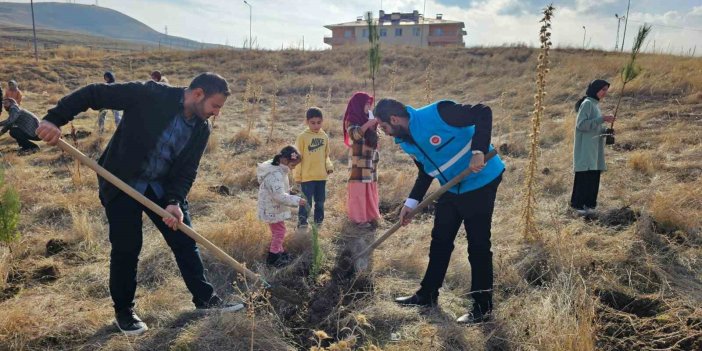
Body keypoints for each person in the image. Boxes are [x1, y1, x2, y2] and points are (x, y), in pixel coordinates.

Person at [35, 72, 244, 336]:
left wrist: (174, 201)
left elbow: (187, 171)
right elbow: (94, 94)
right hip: (122, 182)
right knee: (127, 247)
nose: (216, 113)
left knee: (185, 241)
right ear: (198, 94)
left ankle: (205, 300)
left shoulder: (200, 129)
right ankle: (124, 312)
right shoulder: (152, 95)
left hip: (161, 189)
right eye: (215, 106)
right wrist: (54, 119)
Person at [374, 98, 505, 324]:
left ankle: (482, 308)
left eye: (384, 127)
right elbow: (426, 172)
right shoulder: (406, 141)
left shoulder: (439, 113)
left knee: (478, 245)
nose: (385, 133)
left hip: (481, 181)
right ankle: (427, 294)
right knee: (440, 240)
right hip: (452, 187)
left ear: (394, 119)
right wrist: (411, 203)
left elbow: (483, 111)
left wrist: (478, 151)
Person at [570, 79, 615, 215]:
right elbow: (581, 125)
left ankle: (589, 206)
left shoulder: (595, 105)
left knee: (593, 177)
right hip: (585, 150)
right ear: (595, 89)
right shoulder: (588, 103)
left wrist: (607, 131)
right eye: (603, 89)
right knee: (584, 176)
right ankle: (578, 207)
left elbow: (594, 128)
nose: (604, 93)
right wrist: (602, 119)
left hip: (595, 150)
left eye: (606, 90)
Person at [257, 145, 306, 267]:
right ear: (284, 160)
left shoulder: (277, 168)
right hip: (272, 207)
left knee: (277, 231)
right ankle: (273, 257)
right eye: (293, 165)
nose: (293, 169)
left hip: (272, 206)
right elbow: (278, 196)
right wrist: (296, 200)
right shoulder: (275, 175)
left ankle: (280, 251)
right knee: (280, 232)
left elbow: (278, 190)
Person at [343, 92, 381, 228]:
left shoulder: (368, 119)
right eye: (366, 104)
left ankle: (370, 216)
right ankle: (359, 220)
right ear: (358, 104)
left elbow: (376, 139)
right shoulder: (352, 119)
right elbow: (355, 135)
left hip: (370, 163)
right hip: (359, 163)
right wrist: (367, 125)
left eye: (370, 104)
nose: (369, 107)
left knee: (369, 190)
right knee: (359, 192)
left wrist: (373, 127)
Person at [294, 107, 333, 228]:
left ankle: (318, 222)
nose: (316, 125)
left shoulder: (324, 136)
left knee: (320, 202)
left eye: (319, 122)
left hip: (321, 176)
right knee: (306, 202)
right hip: (307, 177)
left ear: (322, 121)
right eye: (313, 123)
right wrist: (297, 176)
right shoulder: (302, 137)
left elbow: (326, 156)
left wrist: (329, 166)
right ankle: (302, 222)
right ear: (307, 122)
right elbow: (297, 158)